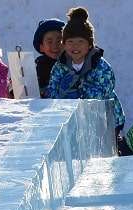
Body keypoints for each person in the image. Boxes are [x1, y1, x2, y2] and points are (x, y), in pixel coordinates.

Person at [46, 8, 126, 149]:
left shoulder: (100, 65)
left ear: (89, 45)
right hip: (76, 122)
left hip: (105, 120)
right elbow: (52, 91)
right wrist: (61, 94)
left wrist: (80, 91)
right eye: (70, 41)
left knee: (103, 150)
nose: (75, 46)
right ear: (64, 44)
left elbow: (104, 91)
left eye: (80, 42)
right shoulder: (60, 67)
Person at [33, 18, 65, 98]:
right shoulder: (36, 69)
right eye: (49, 41)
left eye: (59, 41)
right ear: (41, 47)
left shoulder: (73, 65)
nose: (55, 46)